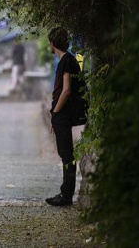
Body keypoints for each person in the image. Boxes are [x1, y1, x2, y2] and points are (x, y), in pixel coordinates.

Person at [46, 27, 82, 206]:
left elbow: (66, 90)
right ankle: (66, 193)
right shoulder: (67, 60)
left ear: (53, 43)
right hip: (62, 114)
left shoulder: (66, 61)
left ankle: (66, 195)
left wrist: (55, 112)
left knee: (67, 154)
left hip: (64, 113)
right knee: (65, 153)